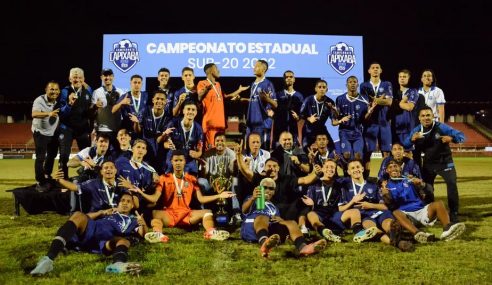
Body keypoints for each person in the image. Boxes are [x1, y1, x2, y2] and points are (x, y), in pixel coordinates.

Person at [30, 192, 146, 275]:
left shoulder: (133, 219)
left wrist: (142, 224)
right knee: (78, 215)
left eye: (128, 202)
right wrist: (101, 212)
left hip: (106, 240)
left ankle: (118, 264)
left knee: (123, 241)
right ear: (118, 203)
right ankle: (48, 260)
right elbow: (85, 218)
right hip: (91, 230)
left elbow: (142, 235)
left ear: (132, 206)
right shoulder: (109, 211)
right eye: (122, 201)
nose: (125, 203)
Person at [142, 150, 234, 243]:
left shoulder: (191, 179)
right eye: (176, 160)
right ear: (171, 162)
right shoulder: (164, 178)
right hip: (169, 214)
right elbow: (155, 198)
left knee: (207, 212)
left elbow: (201, 199)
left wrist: (219, 195)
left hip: (187, 214)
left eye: (181, 160)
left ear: (185, 162)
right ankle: (158, 234)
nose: (178, 163)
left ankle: (211, 232)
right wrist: (141, 193)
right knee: (155, 214)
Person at [404, 106, 465, 222]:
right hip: (429, 164)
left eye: (428, 115)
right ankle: (431, 212)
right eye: (423, 116)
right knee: (428, 189)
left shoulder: (441, 127)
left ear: (433, 116)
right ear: (419, 118)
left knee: (452, 184)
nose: (426, 118)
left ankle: (454, 213)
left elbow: (462, 136)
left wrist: (451, 138)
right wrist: (412, 139)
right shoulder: (417, 130)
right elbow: (405, 144)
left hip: (445, 162)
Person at [381, 160, 466, 242]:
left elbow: (430, 190)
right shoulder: (386, 185)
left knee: (439, 204)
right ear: (387, 170)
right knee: (396, 212)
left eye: (395, 166)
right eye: (390, 167)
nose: (393, 169)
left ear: (400, 168)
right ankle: (417, 233)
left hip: (421, 210)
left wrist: (422, 184)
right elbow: (390, 205)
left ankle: (447, 230)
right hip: (406, 215)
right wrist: (385, 195)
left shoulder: (409, 179)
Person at [240, 177, 327, 257]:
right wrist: (253, 198)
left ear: (274, 192)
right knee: (263, 217)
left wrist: (281, 220)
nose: (267, 191)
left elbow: (278, 221)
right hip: (251, 228)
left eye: (271, 189)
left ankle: (303, 247)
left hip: (269, 229)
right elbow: (244, 210)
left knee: (291, 222)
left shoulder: (274, 207)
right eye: (264, 188)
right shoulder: (252, 199)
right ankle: (264, 242)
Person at [339, 160, 414, 251]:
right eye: (352, 168)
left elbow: (385, 207)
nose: (356, 170)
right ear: (348, 172)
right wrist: (352, 201)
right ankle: (398, 242)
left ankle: (393, 232)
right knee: (371, 228)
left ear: (362, 169)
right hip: (364, 216)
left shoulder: (373, 185)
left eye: (358, 167)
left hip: (379, 212)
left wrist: (370, 205)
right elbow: (341, 208)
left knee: (388, 223)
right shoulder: (345, 187)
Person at [301, 159, 377, 243]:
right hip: (320, 215)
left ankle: (359, 233)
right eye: (327, 167)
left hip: (335, 215)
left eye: (332, 167)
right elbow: (307, 204)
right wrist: (312, 204)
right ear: (322, 169)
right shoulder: (314, 184)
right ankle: (324, 231)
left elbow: (356, 177)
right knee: (311, 214)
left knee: (354, 211)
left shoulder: (340, 184)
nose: (330, 169)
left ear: (335, 170)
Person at [197, 63, 248, 149]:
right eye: (216, 68)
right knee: (211, 151)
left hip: (220, 124)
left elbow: (225, 98)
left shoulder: (218, 85)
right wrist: (206, 90)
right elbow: (199, 97)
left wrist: (239, 90)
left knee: (220, 151)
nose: (218, 71)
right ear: (210, 71)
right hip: (210, 125)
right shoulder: (202, 83)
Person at [58, 67, 95, 179]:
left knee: (87, 155)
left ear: (83, 79)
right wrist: (69, 104)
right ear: (70, 79)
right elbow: (61, 113)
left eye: (80, 77)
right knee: (64, 156)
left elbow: (90, 112)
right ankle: (63, 181)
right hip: (67, 128)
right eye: (74, 77)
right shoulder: (64, 92)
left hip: (83, 128)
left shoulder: (89, 91)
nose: (77, 80)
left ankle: (87, 178)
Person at [53, 160, 126, 216]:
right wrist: (60, 180)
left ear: (116, 171)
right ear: (101, 172)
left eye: (111, 168)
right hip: (98, 217)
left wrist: (131, 187)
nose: (109, 169)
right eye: (106, 168)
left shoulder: (122, 185)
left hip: (118, 216)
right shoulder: (93, 183)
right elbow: (74, 187)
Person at [359, 62, 393, 178]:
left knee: (387, 153)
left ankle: (385, 178)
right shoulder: (364, 86)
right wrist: (380, 99)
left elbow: (389, 102)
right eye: (373, 68)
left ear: (381, 70)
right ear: (369, 71)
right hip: (370, 124)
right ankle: (366, 178)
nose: (375, 70)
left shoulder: (387, 84)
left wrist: (374, 100)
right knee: (368, 153)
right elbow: (366, 103)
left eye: (377, 68)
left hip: (384, 123)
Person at [333, 76, 375, 163]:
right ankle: (346, 173)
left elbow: (365, 119)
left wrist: (370, 112)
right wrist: (339, 117)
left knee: (358, 156)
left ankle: (358, 174)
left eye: (354, 82)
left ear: (357, 84)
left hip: (358, 131)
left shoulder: (364, 99)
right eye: (350, 82)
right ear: (346, 84)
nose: (352, 84)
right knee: (347, 154)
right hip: (344, 131)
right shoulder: (340, 99)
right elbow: (336, 117)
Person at [131, 90, 173, 173]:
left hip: (160, 149)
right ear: (153, 100)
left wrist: (165, 136)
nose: (159, 101)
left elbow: (160, 140)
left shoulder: (168, 117)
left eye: (162, 99)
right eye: (157, 98)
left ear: (166, 102)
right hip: (146, 146)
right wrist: (136, 123)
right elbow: (138, 131)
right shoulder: (145, 111)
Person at [31, 81, 60, 192]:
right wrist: (48, 114)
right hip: (40, 133)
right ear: (46, 90)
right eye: (51, 89)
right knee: (40, 158)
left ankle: (47, 175)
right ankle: (40, 181)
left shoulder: (58, 101)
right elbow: (34, 114)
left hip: (52, 133)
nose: (54, 92)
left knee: (52, 155)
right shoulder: (40, 100)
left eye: (56, 89)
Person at [243, 59, 277, 149]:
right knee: (249, 151)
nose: (254, 68)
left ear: (264, 69)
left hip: (263, 124)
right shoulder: (253, 84)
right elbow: (254, 100)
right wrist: (241, 99)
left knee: (263, 152)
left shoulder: (268, 84)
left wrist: (267, 99)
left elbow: (275, 104)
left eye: (257, 66)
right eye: (254, 66)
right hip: (251, 123)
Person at [163, 101, 204, 175]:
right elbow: (164, 143)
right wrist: (167, 145)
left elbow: (199, 151)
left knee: (193, 179)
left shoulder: (199, 129)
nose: (191, 112)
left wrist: (196, 154)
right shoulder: (173, 124)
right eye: (188, 109)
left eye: (193, 110)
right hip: (174, 157)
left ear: (196, 112)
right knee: (170, 177)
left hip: (188, 159)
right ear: (183, 111)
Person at [91, 68, 124, 147]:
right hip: (102, 129)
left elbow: (123, 111)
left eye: (110, 75)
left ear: (113, 77)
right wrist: (95, 106)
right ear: (101, 77)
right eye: (105, 75)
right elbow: (91, 112)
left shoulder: (120, 92)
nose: (107, 78)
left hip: (116, 130)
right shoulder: (96, 92)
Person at [300, 79, 337, 149]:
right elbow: (301, 114)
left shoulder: (330, 102)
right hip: (309, 129)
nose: (322, 89)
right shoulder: (308, 100)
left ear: (327, 89)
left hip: (321, 129)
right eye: (319, 87)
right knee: (305, 149)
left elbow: (334, 119)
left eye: (324, 87)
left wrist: (335, 113)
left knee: (332, 147)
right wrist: (308, 118)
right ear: (315, 89)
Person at [272, 70, 304, 147]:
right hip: (279, 130)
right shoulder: (278, 95)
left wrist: (298, 117)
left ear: (294, 79)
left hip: (293, 130)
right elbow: (271, 109)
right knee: (278, 153)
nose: (289, 78)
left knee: (294, 153)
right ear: (284, 79)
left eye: (291, 77)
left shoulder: (299, 96)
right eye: (286, 77)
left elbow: (302, 113)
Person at [391, 69, 419, 153]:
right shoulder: (393, 93)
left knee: (407, 153)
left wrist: (399, 103)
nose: (402, 78)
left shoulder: (413, 91)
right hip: (394, 128)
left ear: (408, 78)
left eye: (404, 77)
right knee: (395, 155)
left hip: (407, 128)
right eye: (400, 77)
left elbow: (409, 107)